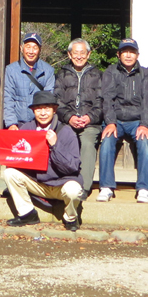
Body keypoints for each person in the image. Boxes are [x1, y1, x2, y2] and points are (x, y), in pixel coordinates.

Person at [2, 90, 83, 231]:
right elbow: (16, 159)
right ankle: (27, 214)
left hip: (61, 184)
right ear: (33, 111)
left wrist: (55, 145)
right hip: (38, 183)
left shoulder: (66, 132)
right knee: (9, 173)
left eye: (47, 108)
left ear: (54, 110)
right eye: (38, 109)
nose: (43, 113)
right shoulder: (27, 129)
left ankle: (70, 218)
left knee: (74, 190)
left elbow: (73, 166)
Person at [96, 38, 148, 204]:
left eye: (132, 52)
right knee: (107, 140)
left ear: (137, 55)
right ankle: (106, 187)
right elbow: (107, 99)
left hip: (137, 120)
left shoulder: (144, 74)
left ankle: (144, 188)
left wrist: (145, 124)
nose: (128, 55)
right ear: (118, 54)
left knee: (145, 142)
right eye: (125, 52)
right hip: (116, 120)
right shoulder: (111, 72)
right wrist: (110, 121)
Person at [55, 38, 103, 197]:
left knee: (88, 143)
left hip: (90, 123)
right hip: (67, 121)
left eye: (83, 53)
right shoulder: (61, 74)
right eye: (75, 53)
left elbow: (101, 102)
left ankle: (84, 187)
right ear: (69, 55)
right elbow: (57, 101)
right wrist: (69, 117)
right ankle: (60, 183)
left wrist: (89, 117)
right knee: (60, 140)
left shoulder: (98, 75)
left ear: (88, 54)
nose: (79, 56)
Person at [3, 32, 55, 129]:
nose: (31, 51)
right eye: (28, 47)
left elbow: (48, 99)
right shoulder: (11, 70)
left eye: (35, 48)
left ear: (40, 50)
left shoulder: (48, 71)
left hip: (39, 124)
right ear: (21, 48)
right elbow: (8, 98)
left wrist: (44, 124)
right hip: (17, 123)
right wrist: (11, 123)